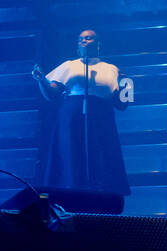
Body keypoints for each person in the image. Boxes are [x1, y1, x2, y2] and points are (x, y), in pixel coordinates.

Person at [32, 30, 131, 197]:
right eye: (81, 39)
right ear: (77, 47)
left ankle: (101, 196)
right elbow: (51, 95)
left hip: (101, 117)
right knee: (72, 154)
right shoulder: (69, 65)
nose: (84, 41)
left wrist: (128, 85)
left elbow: (123, 104)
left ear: (98, 44)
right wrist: (41, 80)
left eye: (88, 38)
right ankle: (72, 193)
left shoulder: (111, 69)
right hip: (72, 117)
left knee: (101, 154)